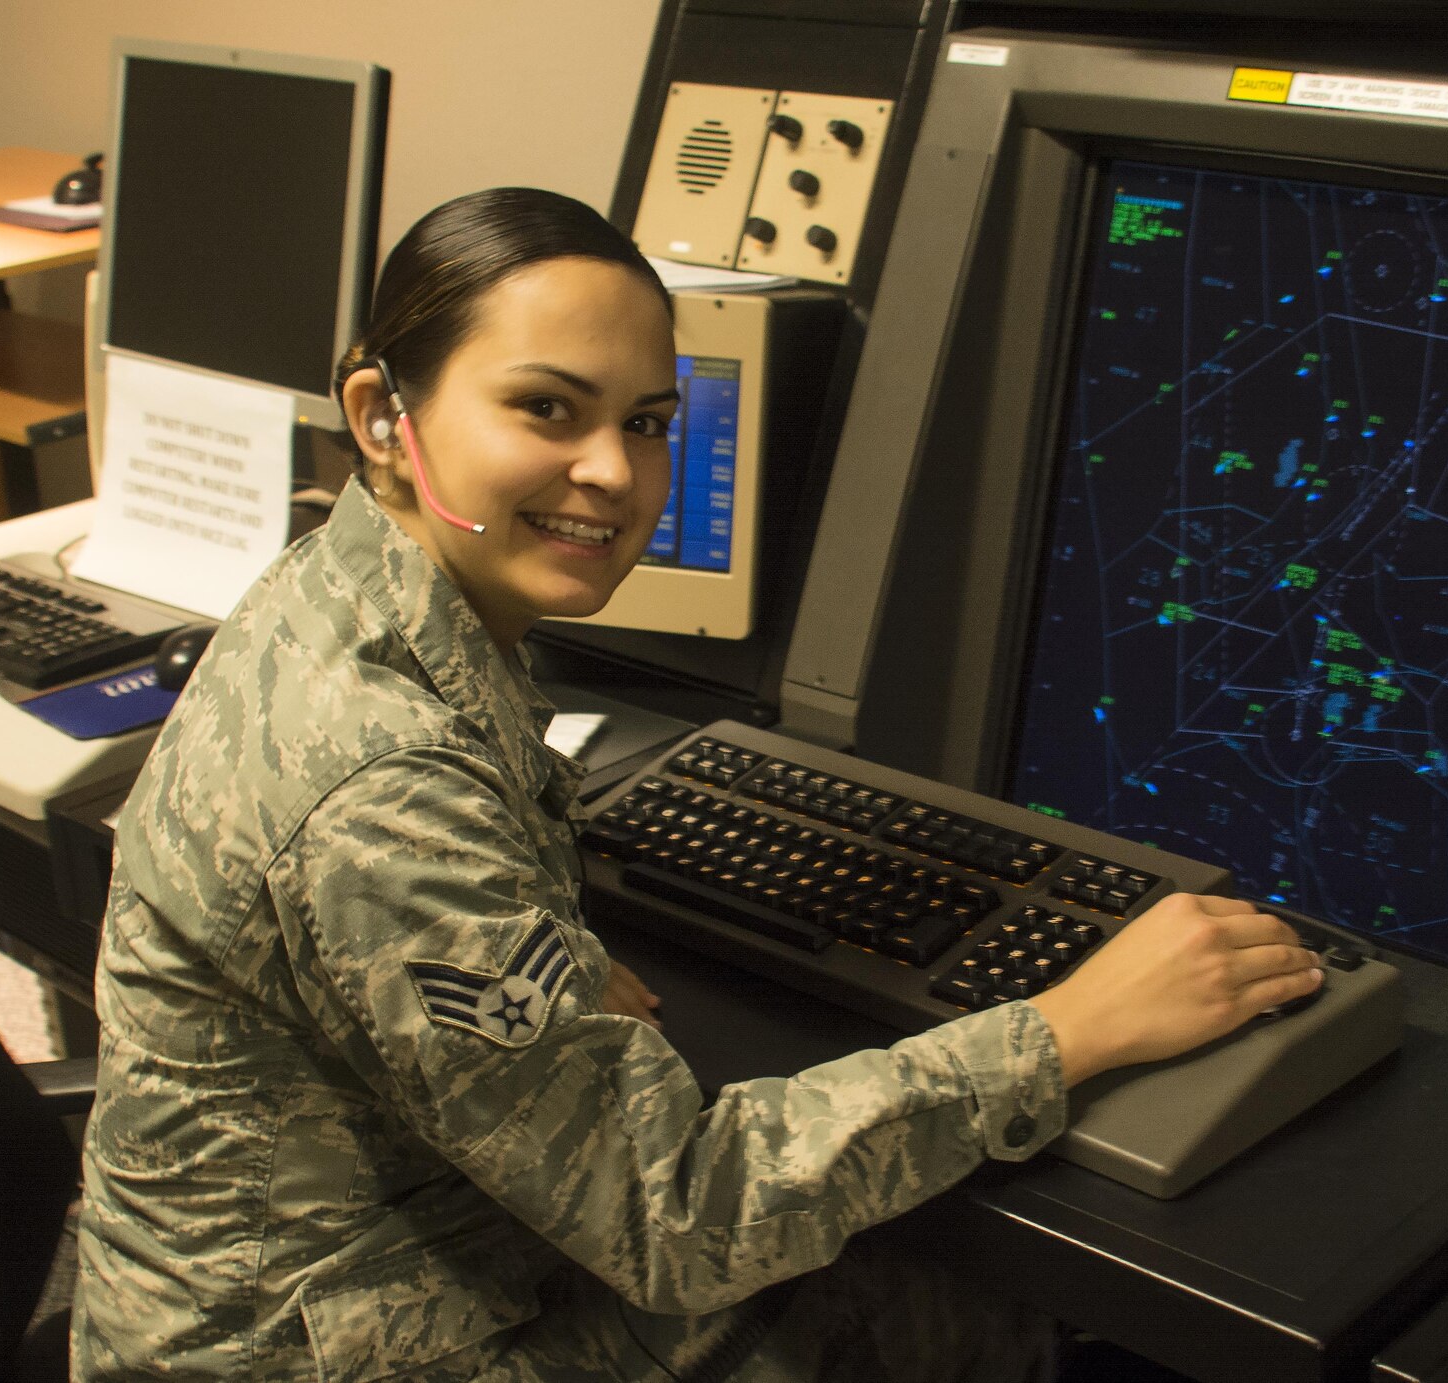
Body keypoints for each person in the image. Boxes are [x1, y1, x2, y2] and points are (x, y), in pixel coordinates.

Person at [70, 187, 1326, 1383]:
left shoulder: (338, 593)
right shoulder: (386, 789)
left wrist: (527, 948)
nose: (614, 474)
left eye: (646, 423)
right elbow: (680, 1222)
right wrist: (1070, 1028)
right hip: (326, 1345)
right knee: (959, 1300)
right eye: (548, 410)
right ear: (382, 415)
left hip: (255, 1286)